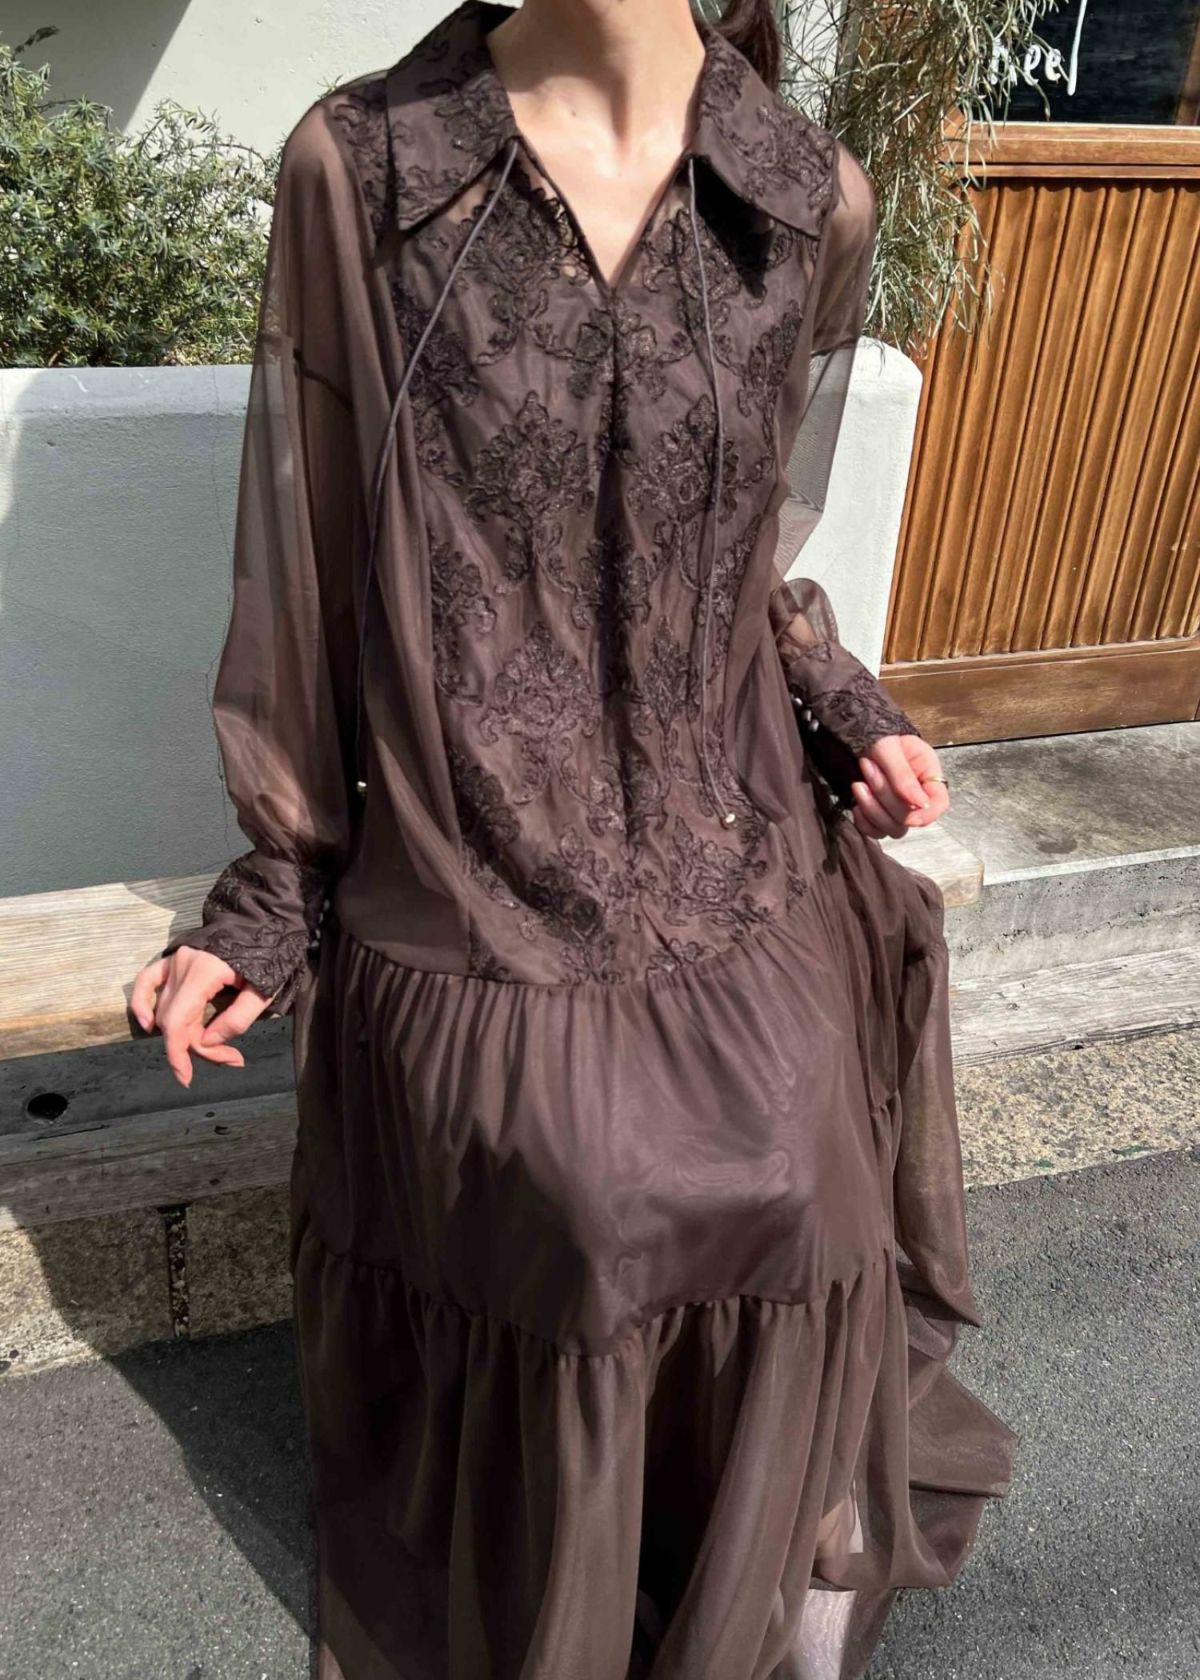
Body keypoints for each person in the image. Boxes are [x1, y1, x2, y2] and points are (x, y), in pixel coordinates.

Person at [132, 1, 1017, 1674]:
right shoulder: (364, 171)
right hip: (466, 856)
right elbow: (312, 570)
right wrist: (276, 883)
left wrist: (848, 709)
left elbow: (745, 559)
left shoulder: (806, 197)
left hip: (728, 831)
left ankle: (745, 1559)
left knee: (805, 1175)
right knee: (584, 1188)